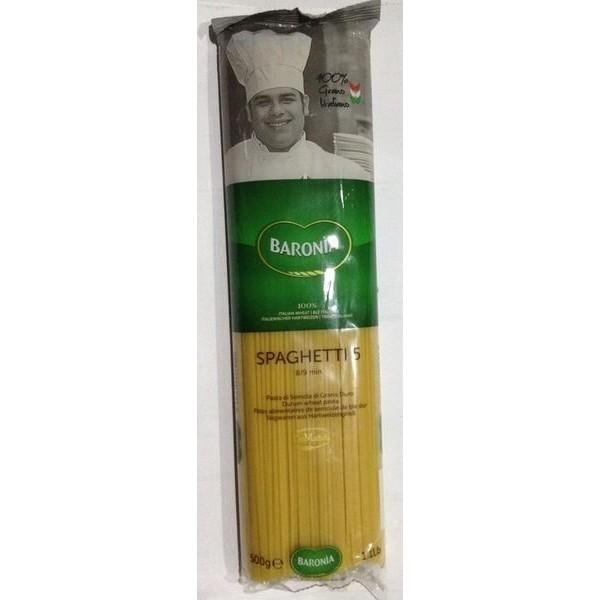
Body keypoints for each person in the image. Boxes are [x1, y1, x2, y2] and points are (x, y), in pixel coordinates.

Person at [224, 29, 370, 185]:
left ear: (305, 105)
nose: (276, 111)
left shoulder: (343, 172)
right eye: (263, 102)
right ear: (249, 112)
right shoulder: (231, 164)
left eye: (287, 99)